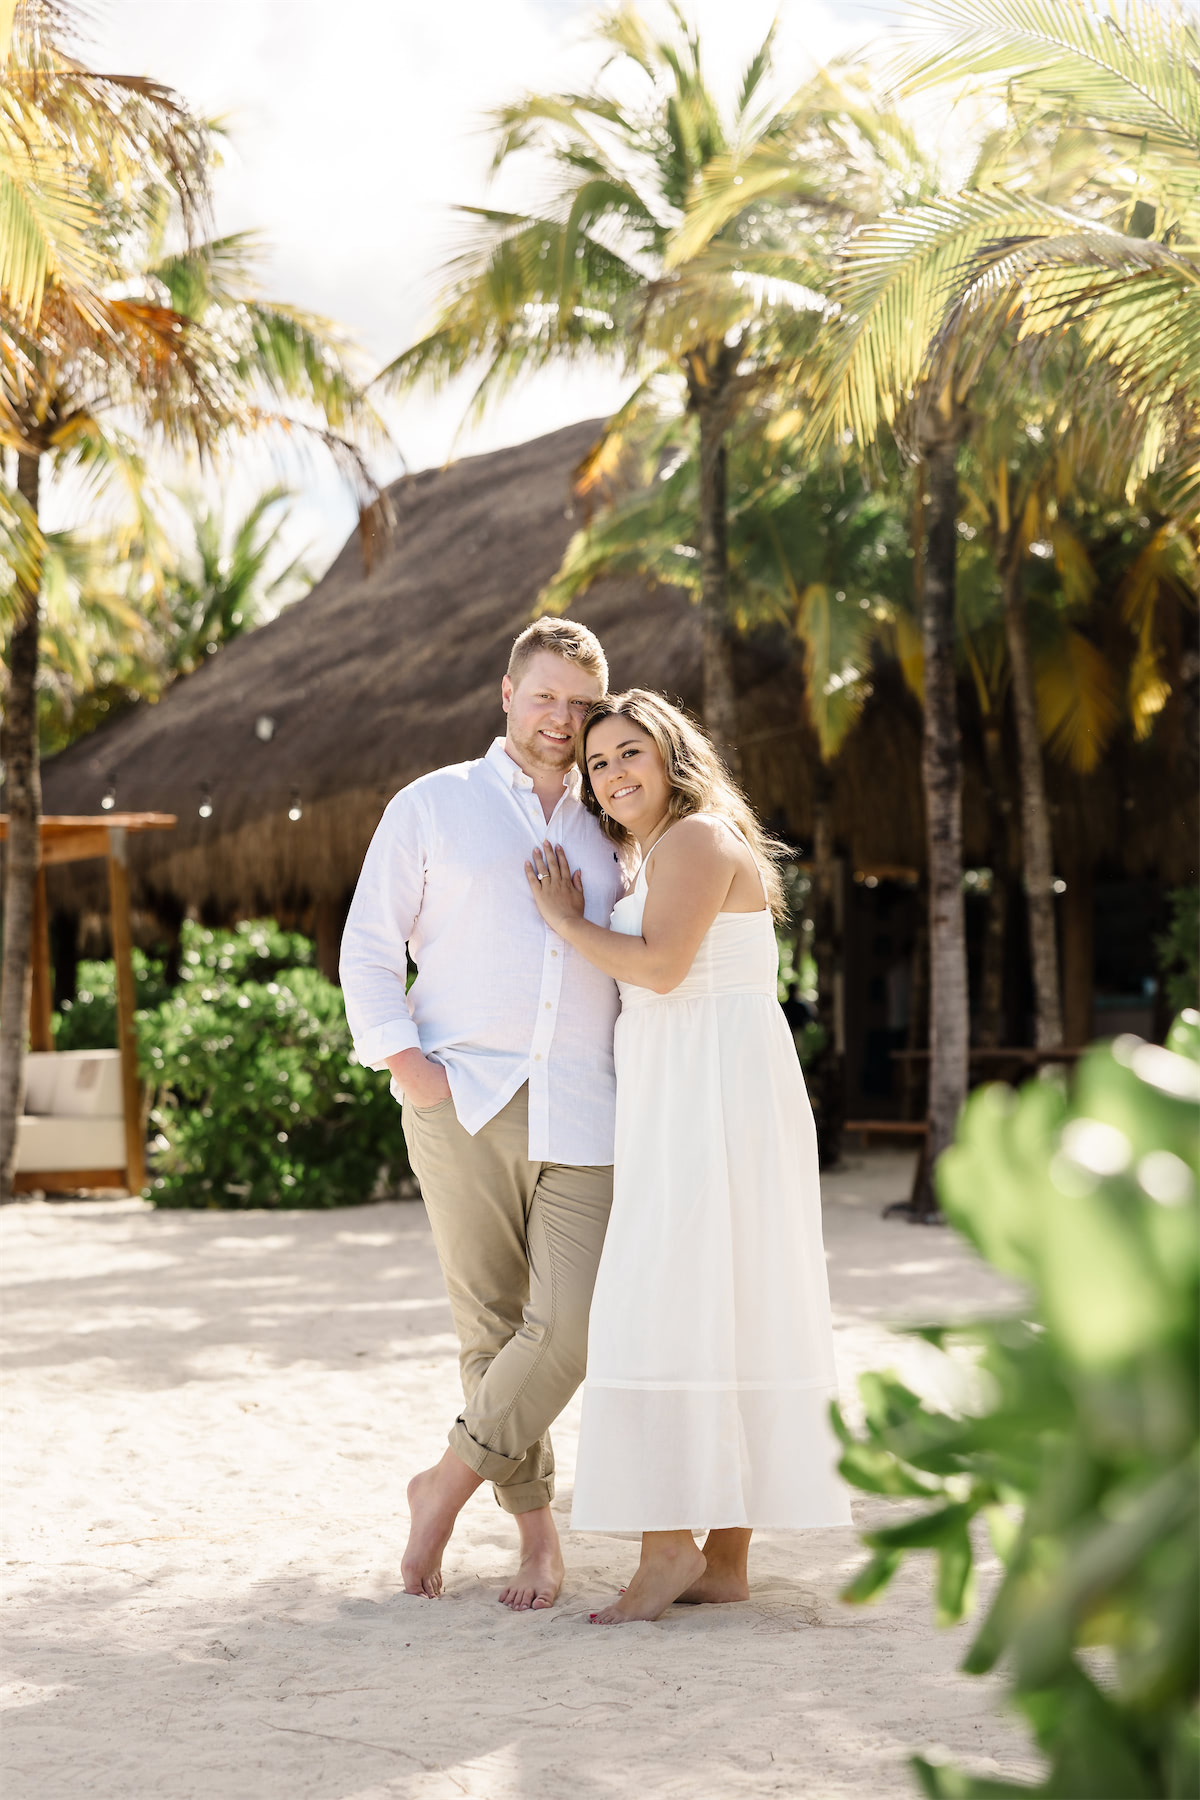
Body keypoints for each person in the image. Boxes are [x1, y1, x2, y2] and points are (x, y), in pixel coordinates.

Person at [525, 689, 851, 1624]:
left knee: (667, 1294)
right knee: (720, 1296)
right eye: (596, 764)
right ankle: (725, 1560)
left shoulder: (699, 841)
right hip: (694, 1086)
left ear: (672, 755)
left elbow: (664, 968)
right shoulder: (661, 852)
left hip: (714, 1092)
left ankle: (668, 1546)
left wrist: (564, 919)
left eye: (629, 752)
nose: (613, 773)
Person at [340, 618, 623, 1611]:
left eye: (583, 705)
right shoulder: (435, 806)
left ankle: (443, 1484)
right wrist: (411, 1069)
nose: (563, 721)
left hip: (591, 1104)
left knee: (573, 1331)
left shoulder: (619, 817)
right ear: (507, 694)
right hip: (462, 1099)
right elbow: (369, 947)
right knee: (491, 1325)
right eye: (546, 697)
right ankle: (537, 1539)